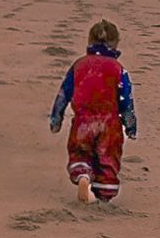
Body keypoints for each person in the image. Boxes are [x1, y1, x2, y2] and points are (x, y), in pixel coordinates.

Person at [49, 20, 138, 203]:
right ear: (115, 44)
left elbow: (63, 94)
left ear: (89, 41)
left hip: (83, 122)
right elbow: (126, 100)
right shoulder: (119, 69)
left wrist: (56, 119)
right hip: (110, 125)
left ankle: (83, 176)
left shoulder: (79, 65)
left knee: (80, 153)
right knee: (108, 160)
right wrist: (130, 125)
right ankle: (103, 197)